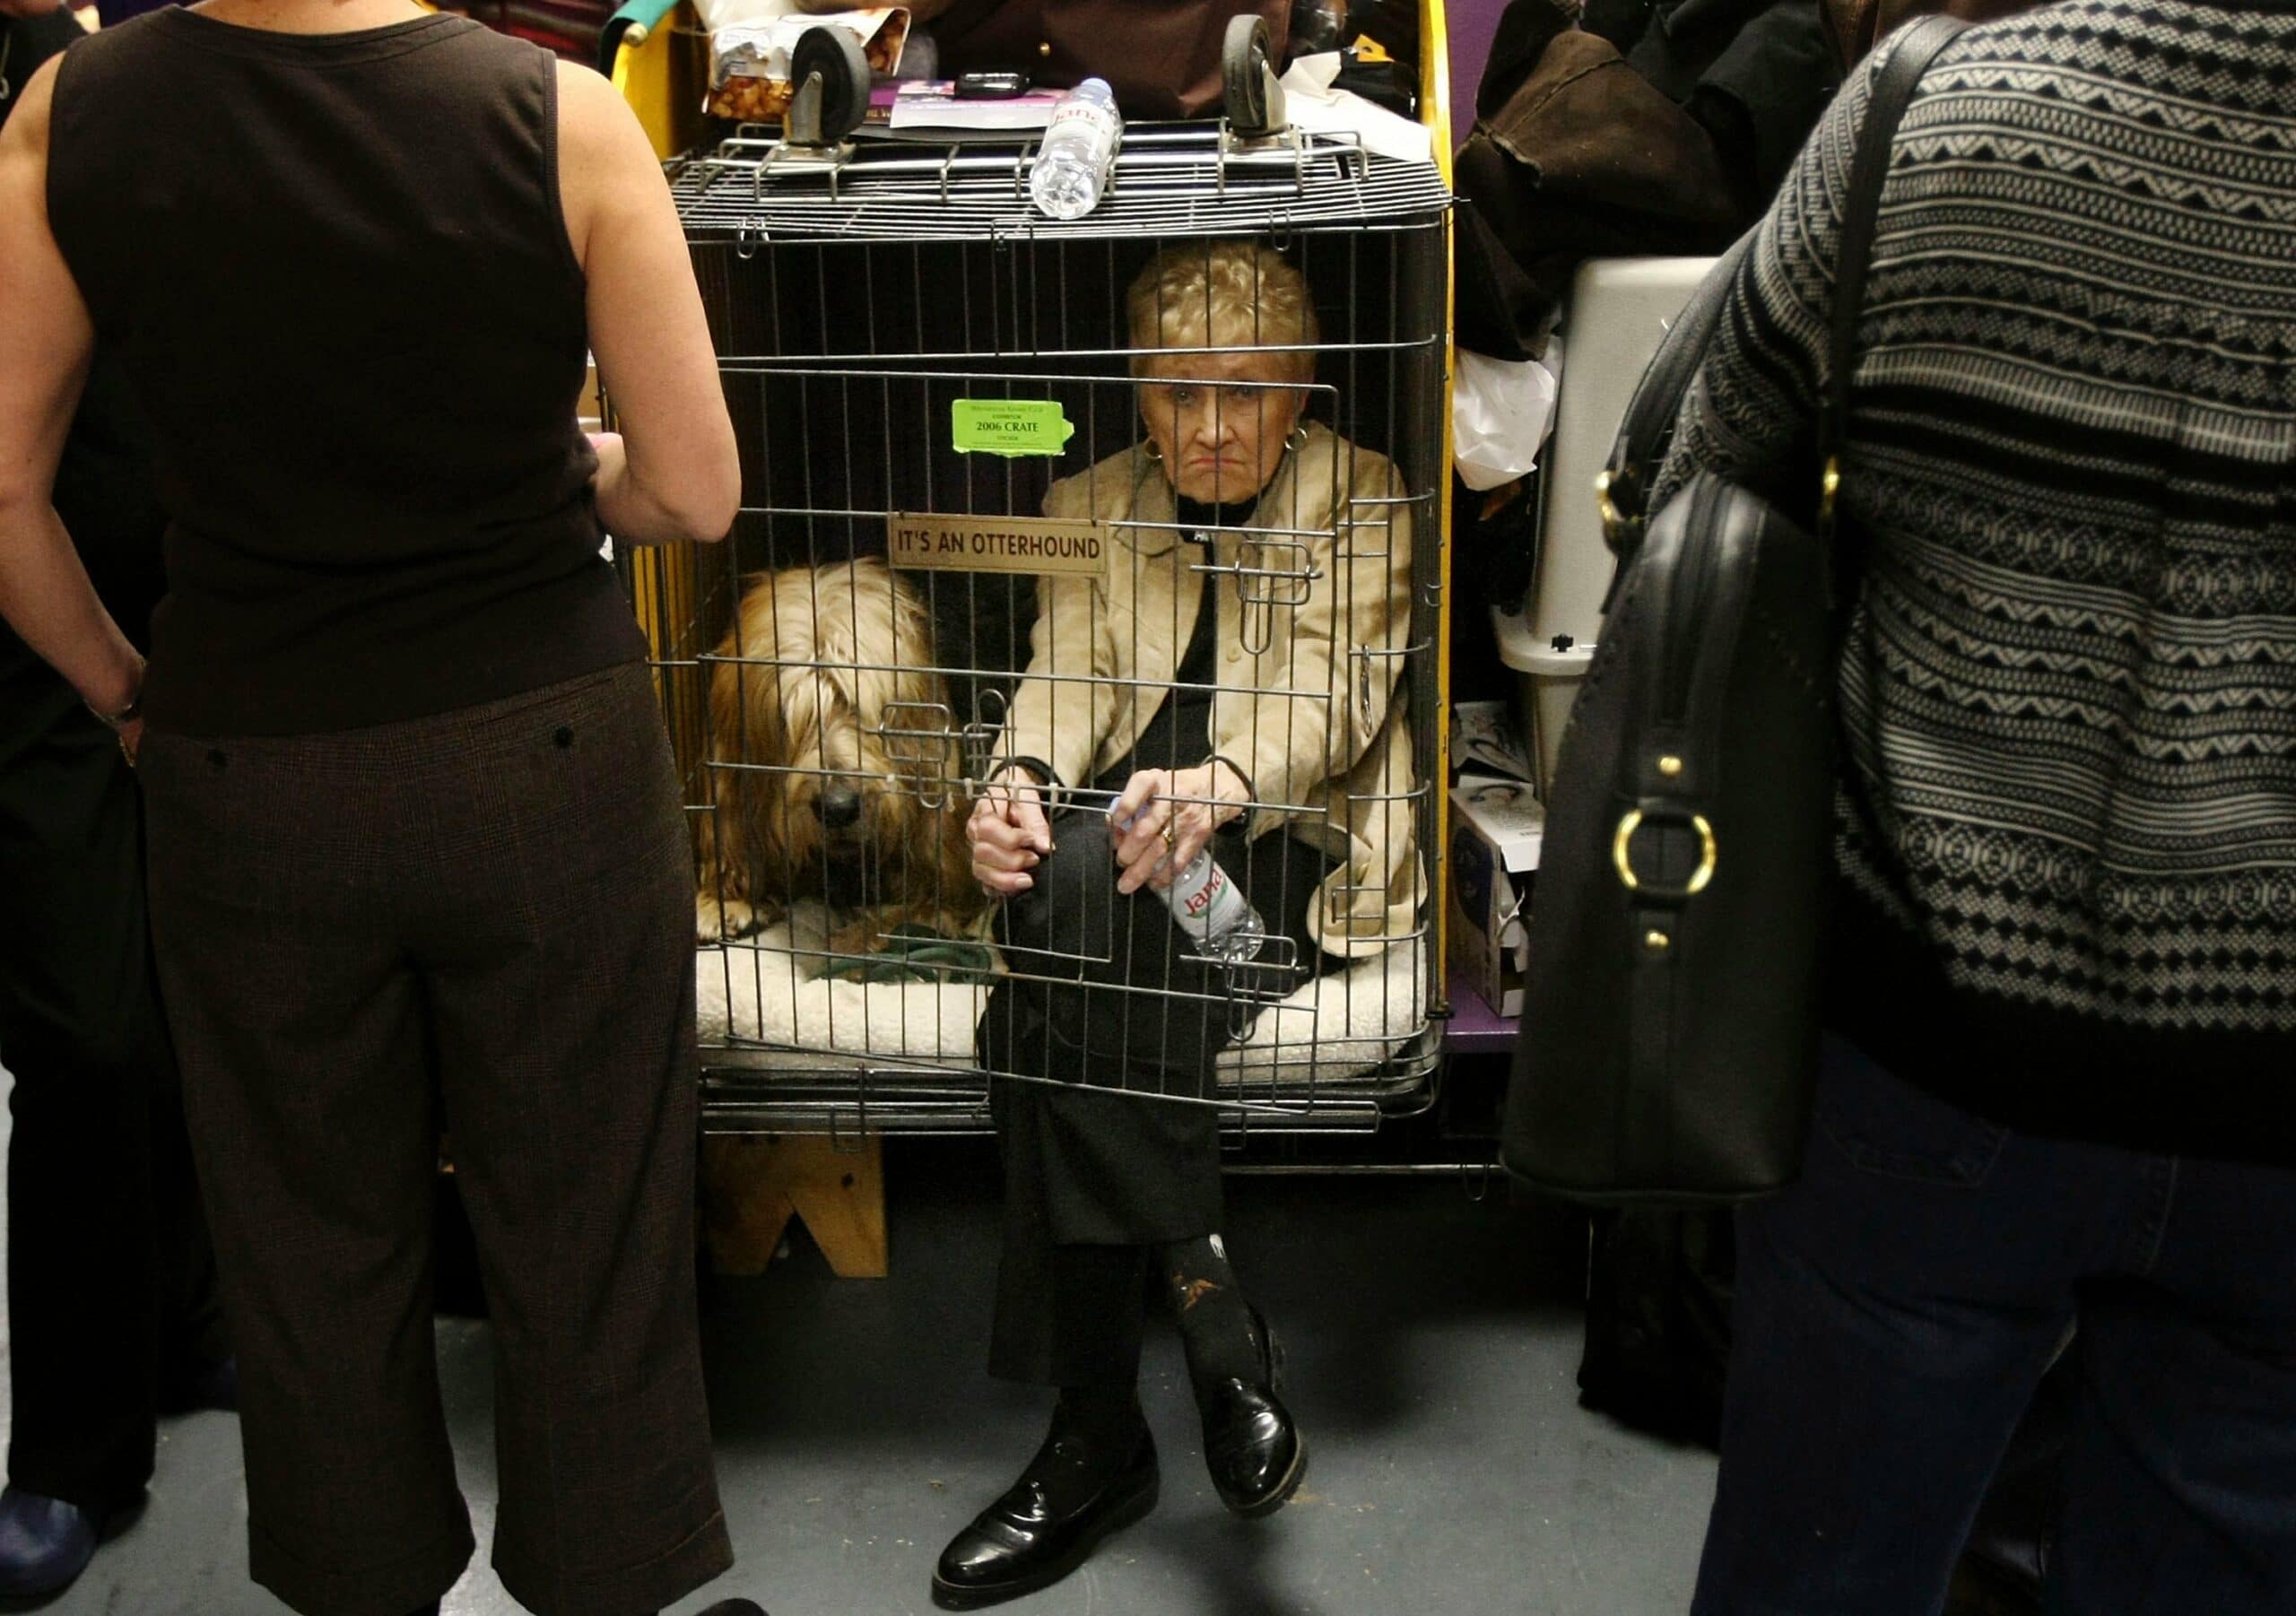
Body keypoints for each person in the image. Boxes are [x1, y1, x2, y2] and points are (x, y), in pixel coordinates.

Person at [0, 0, 765, 1611]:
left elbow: (3, 486)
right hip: (539, 758)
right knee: (589, 1240)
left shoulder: (71, 117)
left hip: (245, 770)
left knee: (306, 1254)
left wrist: (121, 690)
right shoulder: (556, 115)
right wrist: (582, 474)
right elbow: (693, 489)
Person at [1648, 4, 2296, 1612]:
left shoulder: (1927, 105)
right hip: (2283, 1099)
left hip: (1929, 1053)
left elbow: (1683, 484)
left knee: (1824, 1569)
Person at [936, 240, 1419, 1609]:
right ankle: (1210, 1312)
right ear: (1139, 399)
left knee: (1051, 964)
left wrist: (1218, 782)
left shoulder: (1363, 495)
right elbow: (1057, 681)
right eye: (1178, 393)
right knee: (1070, 876)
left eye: (1248, 395)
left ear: (1304, 392)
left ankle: (1094, 1436)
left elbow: (1336, 693)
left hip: (1267, 879)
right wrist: (1011, 789)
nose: (1211, 426)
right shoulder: (1095, 500)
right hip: (1127, 882)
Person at [0, 0, 231, 1600]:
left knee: (205, 969)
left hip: (201, 561)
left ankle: (191, 1326)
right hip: (26, 594)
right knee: (81, 1016)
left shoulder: (161, 54)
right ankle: (74, 1446)